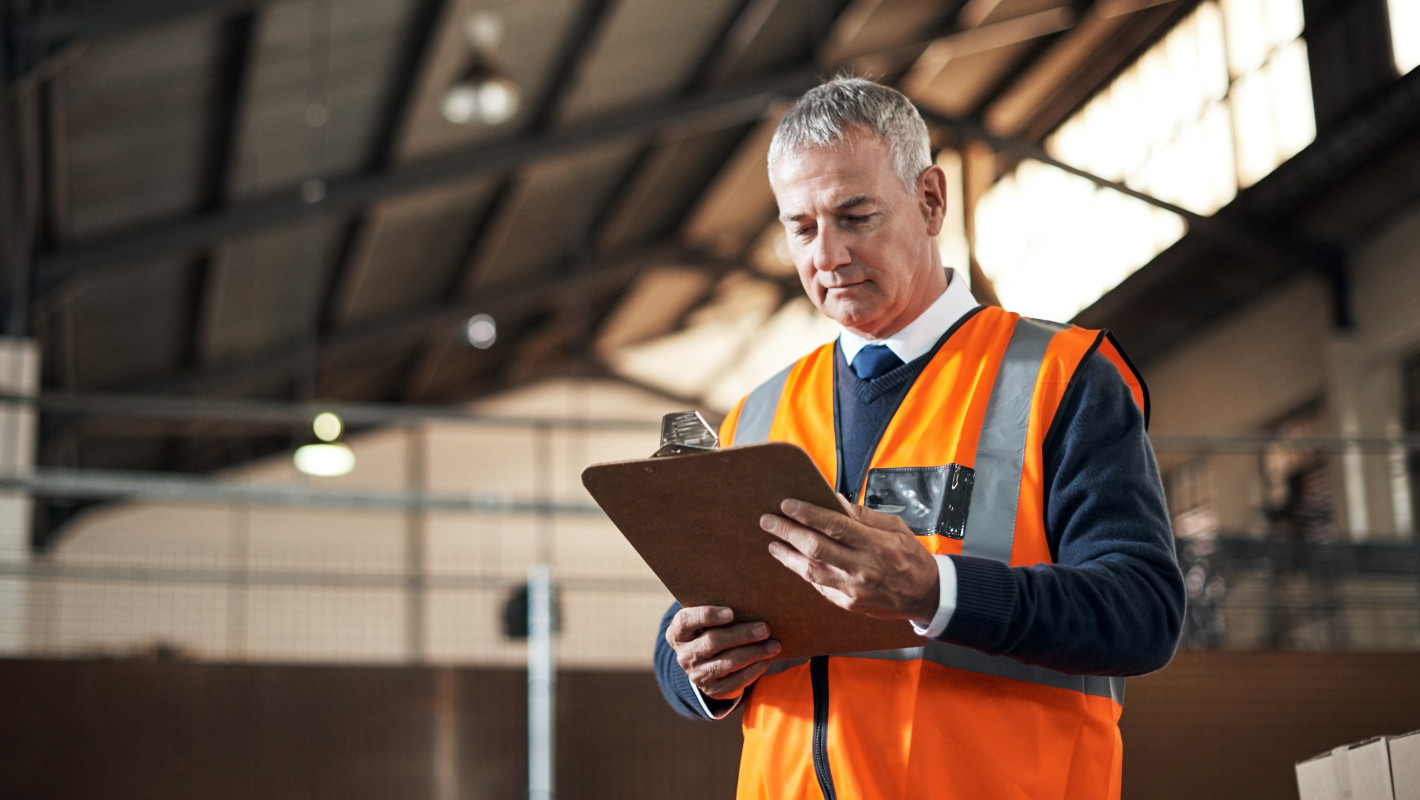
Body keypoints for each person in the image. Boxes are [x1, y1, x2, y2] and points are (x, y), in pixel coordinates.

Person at [653, 76, 1185, 799]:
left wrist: (936, 589)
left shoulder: (1062, 380)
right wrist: (691, 667)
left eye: (856, 216)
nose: (827, 256)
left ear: (931, 201)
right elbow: (693, 627)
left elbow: (1144, 613)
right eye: (801, 229)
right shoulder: (756, 416)